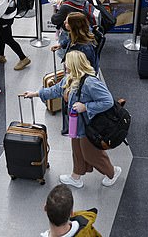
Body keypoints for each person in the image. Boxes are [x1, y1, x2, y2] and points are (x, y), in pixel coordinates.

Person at [23, 51, 121, 189]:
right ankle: (76, 176)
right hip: (77, 125)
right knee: (77, 150)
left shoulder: (90, 82)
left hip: (89, 126)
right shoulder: (70, 78)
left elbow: (108, 101)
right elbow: (56, 90)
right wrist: (36, 93)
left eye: (67, 62)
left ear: (74, 64)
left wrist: (85, 107)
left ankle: (112, 172)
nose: (64, 64)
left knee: (91, 154)